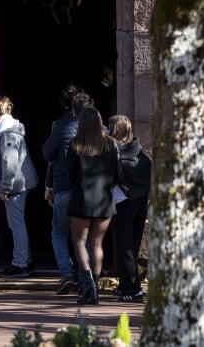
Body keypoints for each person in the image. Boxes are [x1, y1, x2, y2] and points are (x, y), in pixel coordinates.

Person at [67, 106, 121, 304]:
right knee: (97, 244)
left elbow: (71, 174)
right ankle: (95, 286)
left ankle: (88, 284)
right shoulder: (111, 145)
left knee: (79, 242)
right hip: (104, 199)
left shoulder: (75, 145)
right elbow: (118, 173)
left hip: (82, 197)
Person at [42, 85, 93, 295]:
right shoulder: (99, 128)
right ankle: (86, 281)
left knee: (59, 233)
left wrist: (50, 185)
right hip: (90, 190)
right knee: (86, 237)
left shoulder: (60, 126)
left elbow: (47, 153)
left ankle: (66, 274)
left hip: (63, 188)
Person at [0, 95, 38, 278]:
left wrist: (5, 187)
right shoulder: (5, 129)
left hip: (15, 185)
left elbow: (9, 162)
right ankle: (26, 261)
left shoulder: (7, 132)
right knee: (17, 223)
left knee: (16, 223)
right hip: (18, 183)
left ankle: (20, 264)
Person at [108, 114, 152, 303]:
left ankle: (134, 290)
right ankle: (125, 285)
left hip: (123, 203)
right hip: (140, 203)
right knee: (132, 246)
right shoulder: (140, 153)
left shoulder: (114, 152)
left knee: (124, 247)